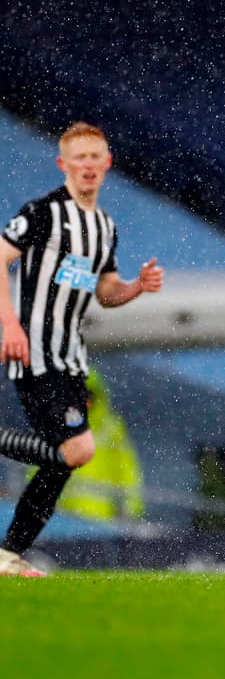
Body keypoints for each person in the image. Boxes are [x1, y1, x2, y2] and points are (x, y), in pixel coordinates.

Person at [0, 122, 164, 577]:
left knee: (64, 460)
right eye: (80, 158)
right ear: (64, 164)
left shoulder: (103, 227)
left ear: (107, 162)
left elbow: (105, 290)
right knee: (76, 452)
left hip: (71, 357)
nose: (89, 165)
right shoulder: (43, 212)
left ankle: (8, 554)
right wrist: (9, 324)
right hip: (35, 350)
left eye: (96, 156)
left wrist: (136, 287)